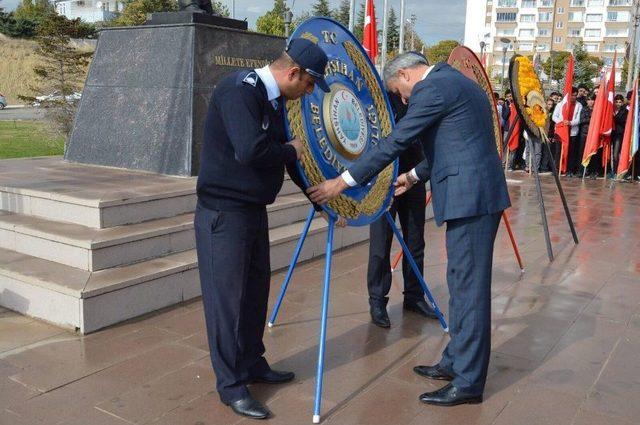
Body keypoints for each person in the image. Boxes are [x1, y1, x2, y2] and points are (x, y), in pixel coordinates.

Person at [307, 52, 511, 407]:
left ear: (405, 74)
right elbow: (453, 144)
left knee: (470, 290)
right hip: (475, 194)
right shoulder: (457, 83)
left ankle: (468, 382)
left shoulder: (433, 88)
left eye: (399, 91)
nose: (403, 99)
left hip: (471, 198)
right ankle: (455, 362)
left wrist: (343, 181)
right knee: (461, 284)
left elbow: (396, 142)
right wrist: (412, 176)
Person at [194, 38, 332, 420]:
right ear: (293, 72)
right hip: (223, 213)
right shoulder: (238, 91)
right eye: (308, 84)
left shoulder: (273, 100)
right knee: (227, 302)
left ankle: (253, 362)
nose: (308, 92)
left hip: (252, 211)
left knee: (255, 292)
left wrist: (316, 196)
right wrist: (292, 149)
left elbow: (283, 153)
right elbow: (251, 150)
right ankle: (231, 386)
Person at [367, 91, 435, 329]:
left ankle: (414, 297)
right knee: (380, 244)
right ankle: (377, 301)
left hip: (413, 178)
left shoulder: (422, 98)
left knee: (416, 241)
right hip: (384, 180)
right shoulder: (381, 98)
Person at [553, 87, 582, 176]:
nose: (573, 97)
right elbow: (554, 116)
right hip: (561, 131)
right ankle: (558, 168)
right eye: (572, 95)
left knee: (571, 151)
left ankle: (569, 169)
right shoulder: (560, 104)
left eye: (575, 95)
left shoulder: (579, 105)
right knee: (559, 151)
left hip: (572, 132)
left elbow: (578, 119)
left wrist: (570, 123)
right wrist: (562, 123)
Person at [579, 93, 598, 179]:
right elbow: (582, 120)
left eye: (592, 100)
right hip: (584, 133)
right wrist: (592, 118)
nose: (590, 102)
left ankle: (593, 171)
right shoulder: (584, 109)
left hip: (594, 134)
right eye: (589, 100)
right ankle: (582, 171)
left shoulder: (597, 109)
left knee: (593, 153)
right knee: (582, 152)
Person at [612, 93, 628, 177]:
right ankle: (612, 170)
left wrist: (614, 116)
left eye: (620, 102)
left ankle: (617, 172)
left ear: (622, 103)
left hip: (619, 134)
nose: (618, 103)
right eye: (616, 102)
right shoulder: (611, 109)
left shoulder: (625, 111)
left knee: (616, 154)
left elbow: (622, 121)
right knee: (611, 154)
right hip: (611, 134)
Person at [539, 97, 557, 174]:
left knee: (547, 152)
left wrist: (552, 136)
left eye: (551, 105)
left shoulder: (553, 113)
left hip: (549, 135)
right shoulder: (540, 112)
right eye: (548, 104)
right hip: (540, 134)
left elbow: (553, 126)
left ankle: (544, 167)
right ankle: (538, 166)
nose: (550, 106)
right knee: (539, 151)